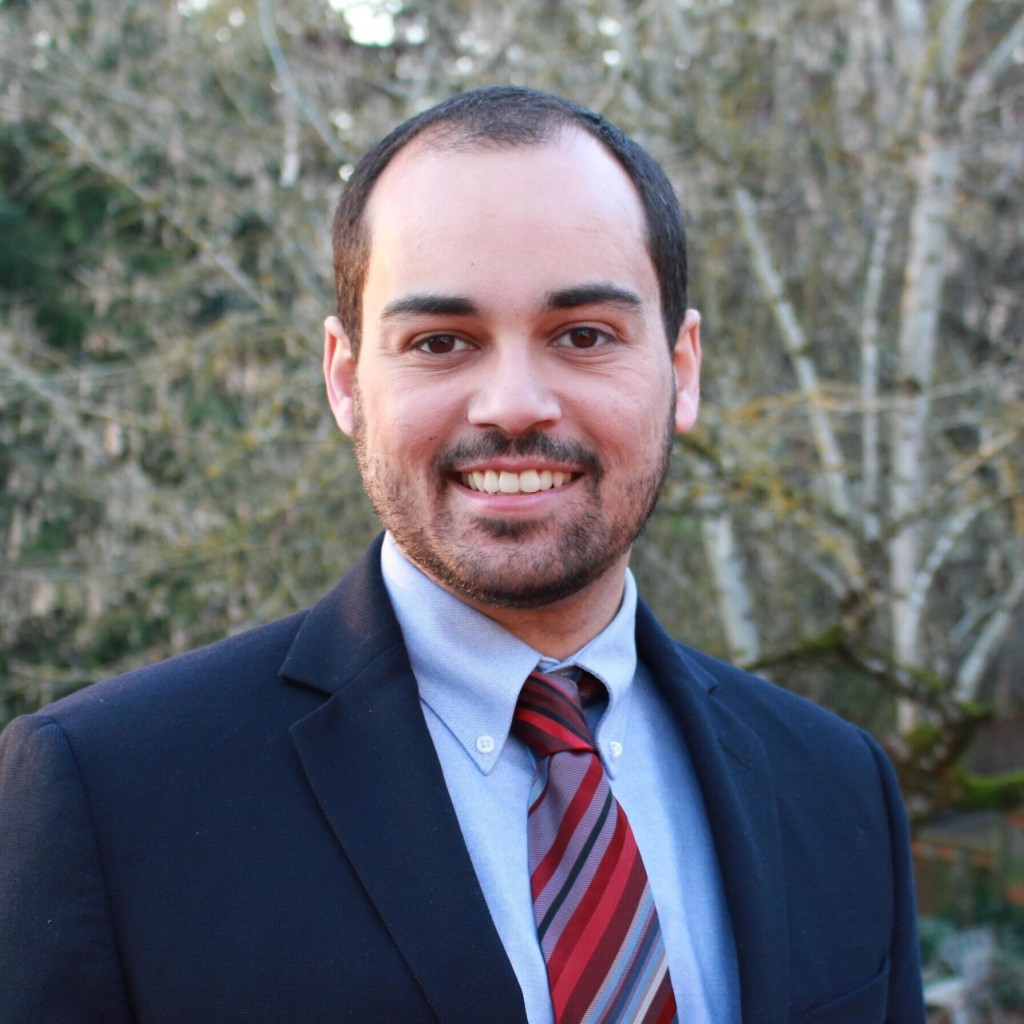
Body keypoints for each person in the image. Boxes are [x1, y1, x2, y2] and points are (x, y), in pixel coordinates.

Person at [0, 86, 925, 1024]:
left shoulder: (836, 787)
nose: (513, 404)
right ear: (346, 378)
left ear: (681, 369)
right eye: (441, 341)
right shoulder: (107, 800)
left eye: (583, 336)